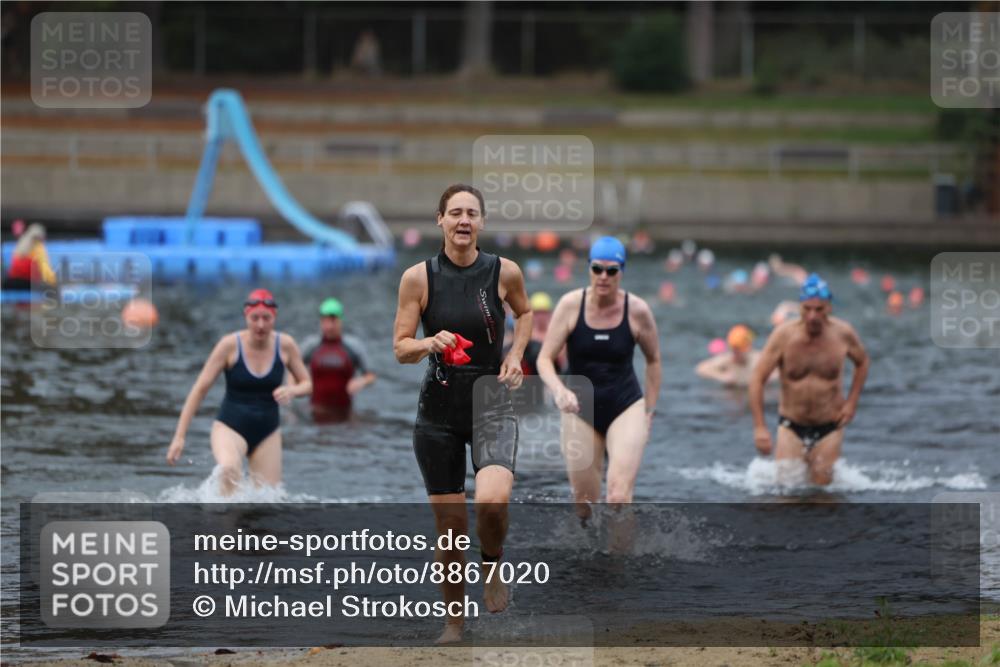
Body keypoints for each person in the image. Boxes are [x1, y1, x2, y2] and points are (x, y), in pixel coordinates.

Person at [393, 184, 531, 643]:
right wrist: (429, 342)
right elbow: (400, 348)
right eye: (455, 212)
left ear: (482, 223)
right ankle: (454, 623)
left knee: (493, 500)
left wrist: (514, 356)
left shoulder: (503, 271)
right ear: (440, 220)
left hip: (492, 400)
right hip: (438, 412)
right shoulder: (418, 278)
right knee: (450, 529)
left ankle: (492, 566)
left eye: (472, 213)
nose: (464, 220)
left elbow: (525, 315)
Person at [537, 236, 661, 520]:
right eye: (597, 269)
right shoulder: (570, 305)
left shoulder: (637, 310)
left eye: (612, 270)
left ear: (621, 271)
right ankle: (592, 562)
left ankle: (620, 562)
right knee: (585, 506)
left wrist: (650, 410)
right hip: (579, 408)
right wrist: (558, 389)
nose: (603, 277)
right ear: (589, 269)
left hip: (626, 405)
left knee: (617, 497)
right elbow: (544, 358)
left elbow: (654, 361)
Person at [166, 289, 312, 495]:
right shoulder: (229, 346)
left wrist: (292, 390)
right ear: (246, 316)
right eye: (255, 318)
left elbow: (308, 384)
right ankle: (220, 524)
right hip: (230, 428)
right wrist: (179, 437)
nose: (260, 325)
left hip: (268, 433)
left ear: (275, 318)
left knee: (269, 501)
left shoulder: (285, 345)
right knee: (229, 470)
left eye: (266, 318)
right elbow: (199, 389)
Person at [749, 274, 870, 486]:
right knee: (785, 493)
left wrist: (852, 402)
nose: (812, 316)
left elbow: (863, 362)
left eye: (819, 309)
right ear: (799, 307)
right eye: (807, 309)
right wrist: (759, 427)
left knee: (822, 495)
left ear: (829, 308)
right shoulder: (783, 335)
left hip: (829, 427)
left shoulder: (843, 334)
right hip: (791, 426)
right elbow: (757, 378)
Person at [302, 298, 376, 423]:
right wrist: (295, 389)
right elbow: (293, 366)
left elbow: (371, 376)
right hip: (316, 410)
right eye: (325, 321)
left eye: (333, 320)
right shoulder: (311, 346)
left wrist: (361, 381)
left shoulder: (353, 346)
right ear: (320, 322)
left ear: (340, 321)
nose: (329, 326)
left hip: (345, 411)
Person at [696, 324, 774, 388]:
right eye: (734, 349)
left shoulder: (758, 359)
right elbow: (700, 368)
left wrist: (767, 378)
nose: (736, 353)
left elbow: (778, 371)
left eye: (739, 349)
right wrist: (722, 377)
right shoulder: (727, 359)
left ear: (748, 348)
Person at [3, 222, 56, 291]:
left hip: (12, 283)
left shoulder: (20, 244)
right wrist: (53, 282)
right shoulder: (38, 247)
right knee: (52, 289)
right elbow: (45, 269)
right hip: (29, 283)